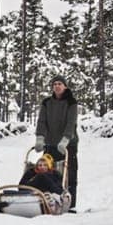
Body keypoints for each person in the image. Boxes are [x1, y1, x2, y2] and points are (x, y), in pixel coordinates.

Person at [35, 75, 78, 211]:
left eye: (60, 84)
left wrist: (65, 139)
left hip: (67, 145)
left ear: (65, 86)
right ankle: (48, 200)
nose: (57, 86)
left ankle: (70, 204)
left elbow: (71, 123)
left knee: (69, 173)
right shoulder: (47, 102)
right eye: (55, 84)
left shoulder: (71, 102)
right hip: (50, 144)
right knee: (46, 172)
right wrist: (40, 138)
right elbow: (42, 121)